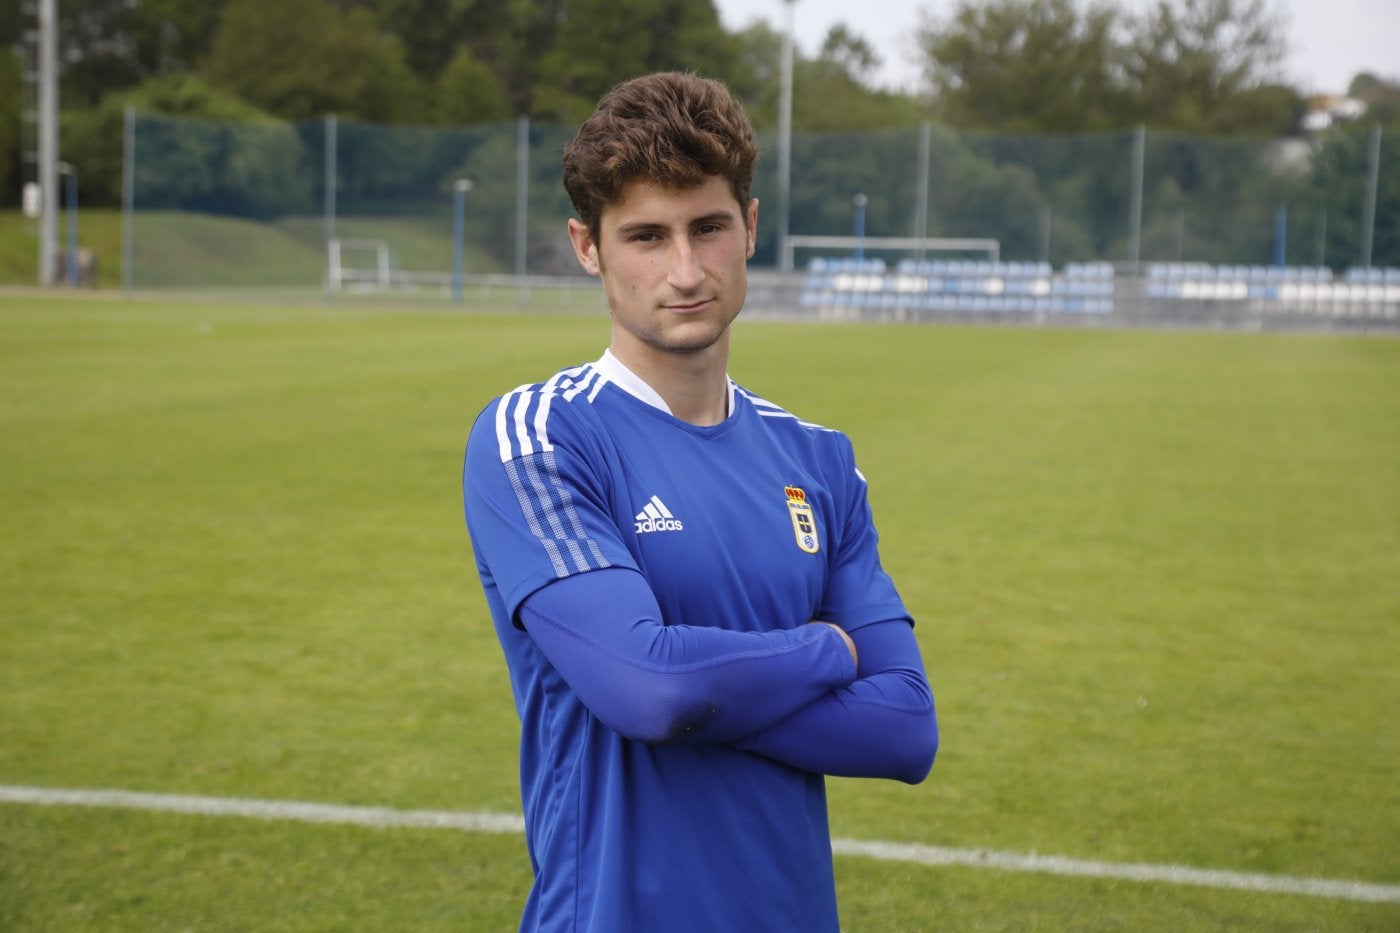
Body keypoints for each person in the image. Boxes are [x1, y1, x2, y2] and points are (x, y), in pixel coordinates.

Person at [463, 71, 938, 933]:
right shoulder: (537, 437)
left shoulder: (818, 460)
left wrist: (691, 684)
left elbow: (906, 729)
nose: (684, 270)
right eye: (645, 235)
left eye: (708, 227)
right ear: (588, 247)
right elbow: (654, 692)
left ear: (749, 227)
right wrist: (830, 650)